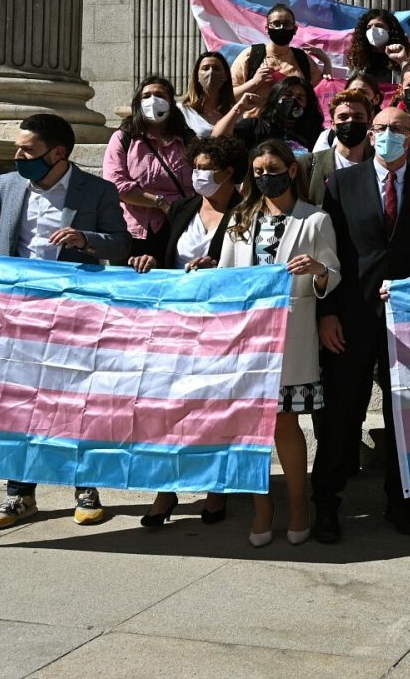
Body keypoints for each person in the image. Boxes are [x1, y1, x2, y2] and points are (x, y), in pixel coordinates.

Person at [0, 115, 131, 530]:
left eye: (27, 150)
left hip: (73, 312)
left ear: (58, 154)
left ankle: (85, 487)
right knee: (19, 402)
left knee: (76, 397)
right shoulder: (8, 185)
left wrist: (86, 239)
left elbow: (120, 241)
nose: (18, 156)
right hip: (17, 312)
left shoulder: (97, 191)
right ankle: (19, 494)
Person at [312, 108, 410, 541]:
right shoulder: (342, 183)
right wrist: (326, 312)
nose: (389, 136)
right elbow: (330, 253)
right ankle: (326, 505)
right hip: (350, 317)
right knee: (339, 414)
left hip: (405, 319)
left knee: (404, 413)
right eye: (382, 129)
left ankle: (401, 502)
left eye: (399, 130)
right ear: (371, 135)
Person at [216, 140, 340, 548]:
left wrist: (318, 270)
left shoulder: (314, 219)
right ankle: (262, 508)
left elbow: (332, 274)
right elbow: (224, 276)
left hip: (292, 332)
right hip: (248, 338)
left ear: (290, 171)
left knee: (286, 422)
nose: (264, 176)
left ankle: (299, 503)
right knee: (252, 427)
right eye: (257, 171)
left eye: (271, 168)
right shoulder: (240, 218)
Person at [129, 135, 247, 528]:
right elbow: (163, 252)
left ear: (229, 173)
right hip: (175, 324)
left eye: (207, 169)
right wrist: (148, 258)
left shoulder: (246, 212)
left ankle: (216, 488)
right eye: (195, 168)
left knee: (213, 407)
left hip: (221, 328)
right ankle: (166, 489)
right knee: (169, 408)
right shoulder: (183, 207)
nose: (199, 175)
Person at [103, 77, 195, 250]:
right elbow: (116, 185)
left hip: (177, 228)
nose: (152, 100)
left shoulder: (187, 140)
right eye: (146, 96)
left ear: (170, 102)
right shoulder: (123, 138)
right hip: (131, 231)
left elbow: (198, 184)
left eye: (159, 95)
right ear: (138, 102)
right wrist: (161, 203)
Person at [229, 5, 319, 101]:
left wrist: (327, 63)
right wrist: (254, 82)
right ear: (267, 28)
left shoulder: (303, 59)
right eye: (276, 24)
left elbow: (320, 93)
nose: (281, 28)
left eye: (287, 24)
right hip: (256, 116)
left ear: (295, 29)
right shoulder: (251, 55)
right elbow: (229, 97)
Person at [217, 75, 323, 156]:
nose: (293, 100)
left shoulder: (315, 134)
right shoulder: (255, 126)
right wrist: (238, 108)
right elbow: (218, 139)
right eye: (287, 95)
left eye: (300, 98)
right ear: (275, 97)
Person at [305, 90, 374, 201]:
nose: (350, 121)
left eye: (358, 117)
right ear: (333, 125)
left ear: (369, 123)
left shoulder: (379, 165)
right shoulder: (309, 164)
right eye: (343, 117)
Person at [345, 8, 410, 92]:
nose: (372, 30)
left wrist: (403, 61)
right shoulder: (358, 59)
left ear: (390, 30)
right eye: (369, 27)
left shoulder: (404, 55)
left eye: (379, 26)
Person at [183, 51, 233, 136]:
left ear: (225, 75)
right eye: (205, 68)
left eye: (216, 68)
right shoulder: (183, 110)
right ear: (197, 76)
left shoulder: (234, 111)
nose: (211, 72)